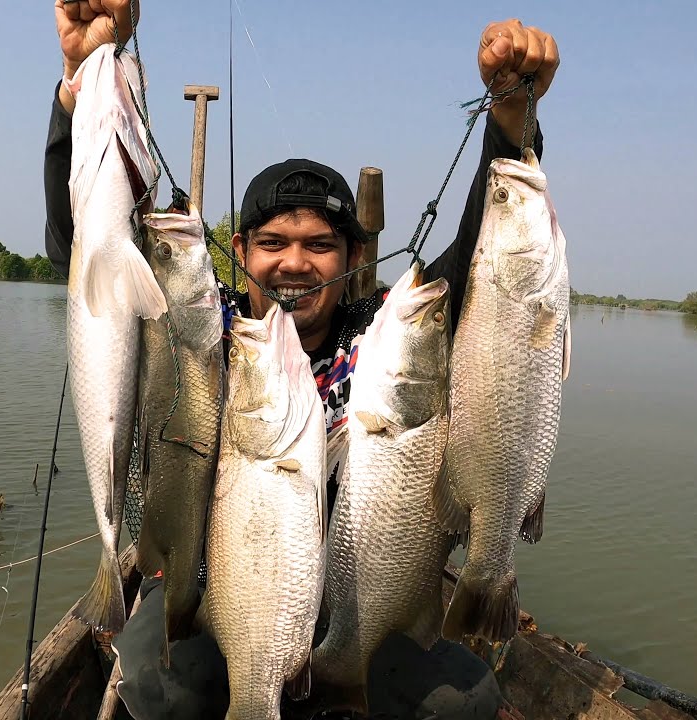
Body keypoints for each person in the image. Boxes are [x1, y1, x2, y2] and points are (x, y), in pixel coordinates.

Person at [44, 2, 559, 718]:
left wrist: (511, 124)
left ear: (351, 261)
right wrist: (78, 83)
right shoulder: (203, 332)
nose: (295, 264)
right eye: (273, 243)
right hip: (230, 580)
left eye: (320, 245)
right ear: (242, 252)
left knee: (463, 703)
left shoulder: (382, 338)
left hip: (358, 585)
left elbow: (482, 266)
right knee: (162, 680)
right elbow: (92, 251)